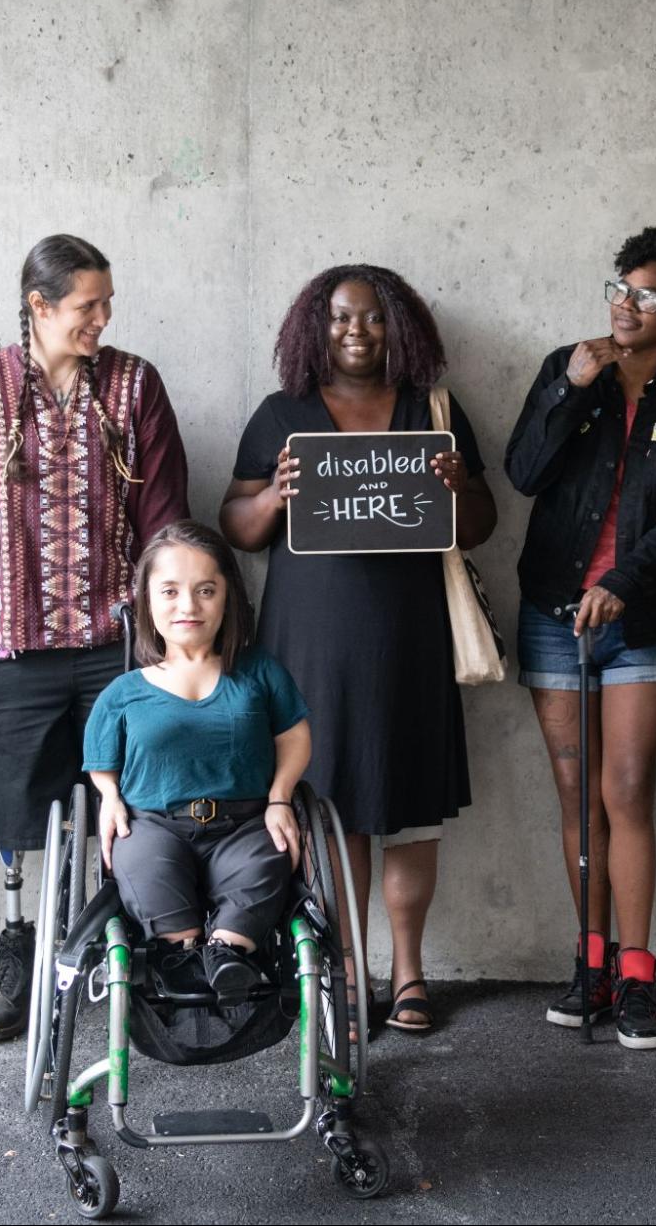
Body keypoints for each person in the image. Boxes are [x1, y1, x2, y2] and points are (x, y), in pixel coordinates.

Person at [221, 264, 497, 1035]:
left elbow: (480, 522)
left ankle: (410, 974)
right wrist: (275, 493)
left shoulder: (431, 410)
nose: (356, 331)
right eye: (341, 318)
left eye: (373, 318)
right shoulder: (284, 414)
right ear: (314, 327)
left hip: (409, 639)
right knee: (330, 810)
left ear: (399, 327)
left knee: (408, 809)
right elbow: (236, 527)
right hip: (312, 644)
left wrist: (453, 488)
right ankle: (345, 972)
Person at [0, 234, 190, 1041]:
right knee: (19, 811)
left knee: (135, 800)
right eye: (88, 305)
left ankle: (126, 952)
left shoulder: (133, 383)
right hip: (13, 641)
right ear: (39, 306)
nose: (103, 319)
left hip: (115, 646)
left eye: (107, 303)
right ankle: (22, 954)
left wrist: (166, 632)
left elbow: (164, 515)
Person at [505, 226, 656, 1050]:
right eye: (619, 287)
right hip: (550, 609)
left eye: (647, 295)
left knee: (626, 790)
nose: (626, 305)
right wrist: (569, 388)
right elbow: (523, 473)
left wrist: (620, 583)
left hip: (637, 618)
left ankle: (637, 973)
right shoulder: (570, 366)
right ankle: (589, 961)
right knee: (574, 795)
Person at [86, 521, 312, 1004]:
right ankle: (183, 954)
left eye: (205, 590)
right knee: (143, 866)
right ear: (147, 600)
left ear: (227, 596)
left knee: (267, 862)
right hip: (154, 824)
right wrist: (108, 798)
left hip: (245, 821)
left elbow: (294, 737)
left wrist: (280, 798)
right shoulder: (124, 691)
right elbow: (100, 760)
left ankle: (227, 952)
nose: (188, 606)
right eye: (169, 591)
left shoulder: (259, 671)